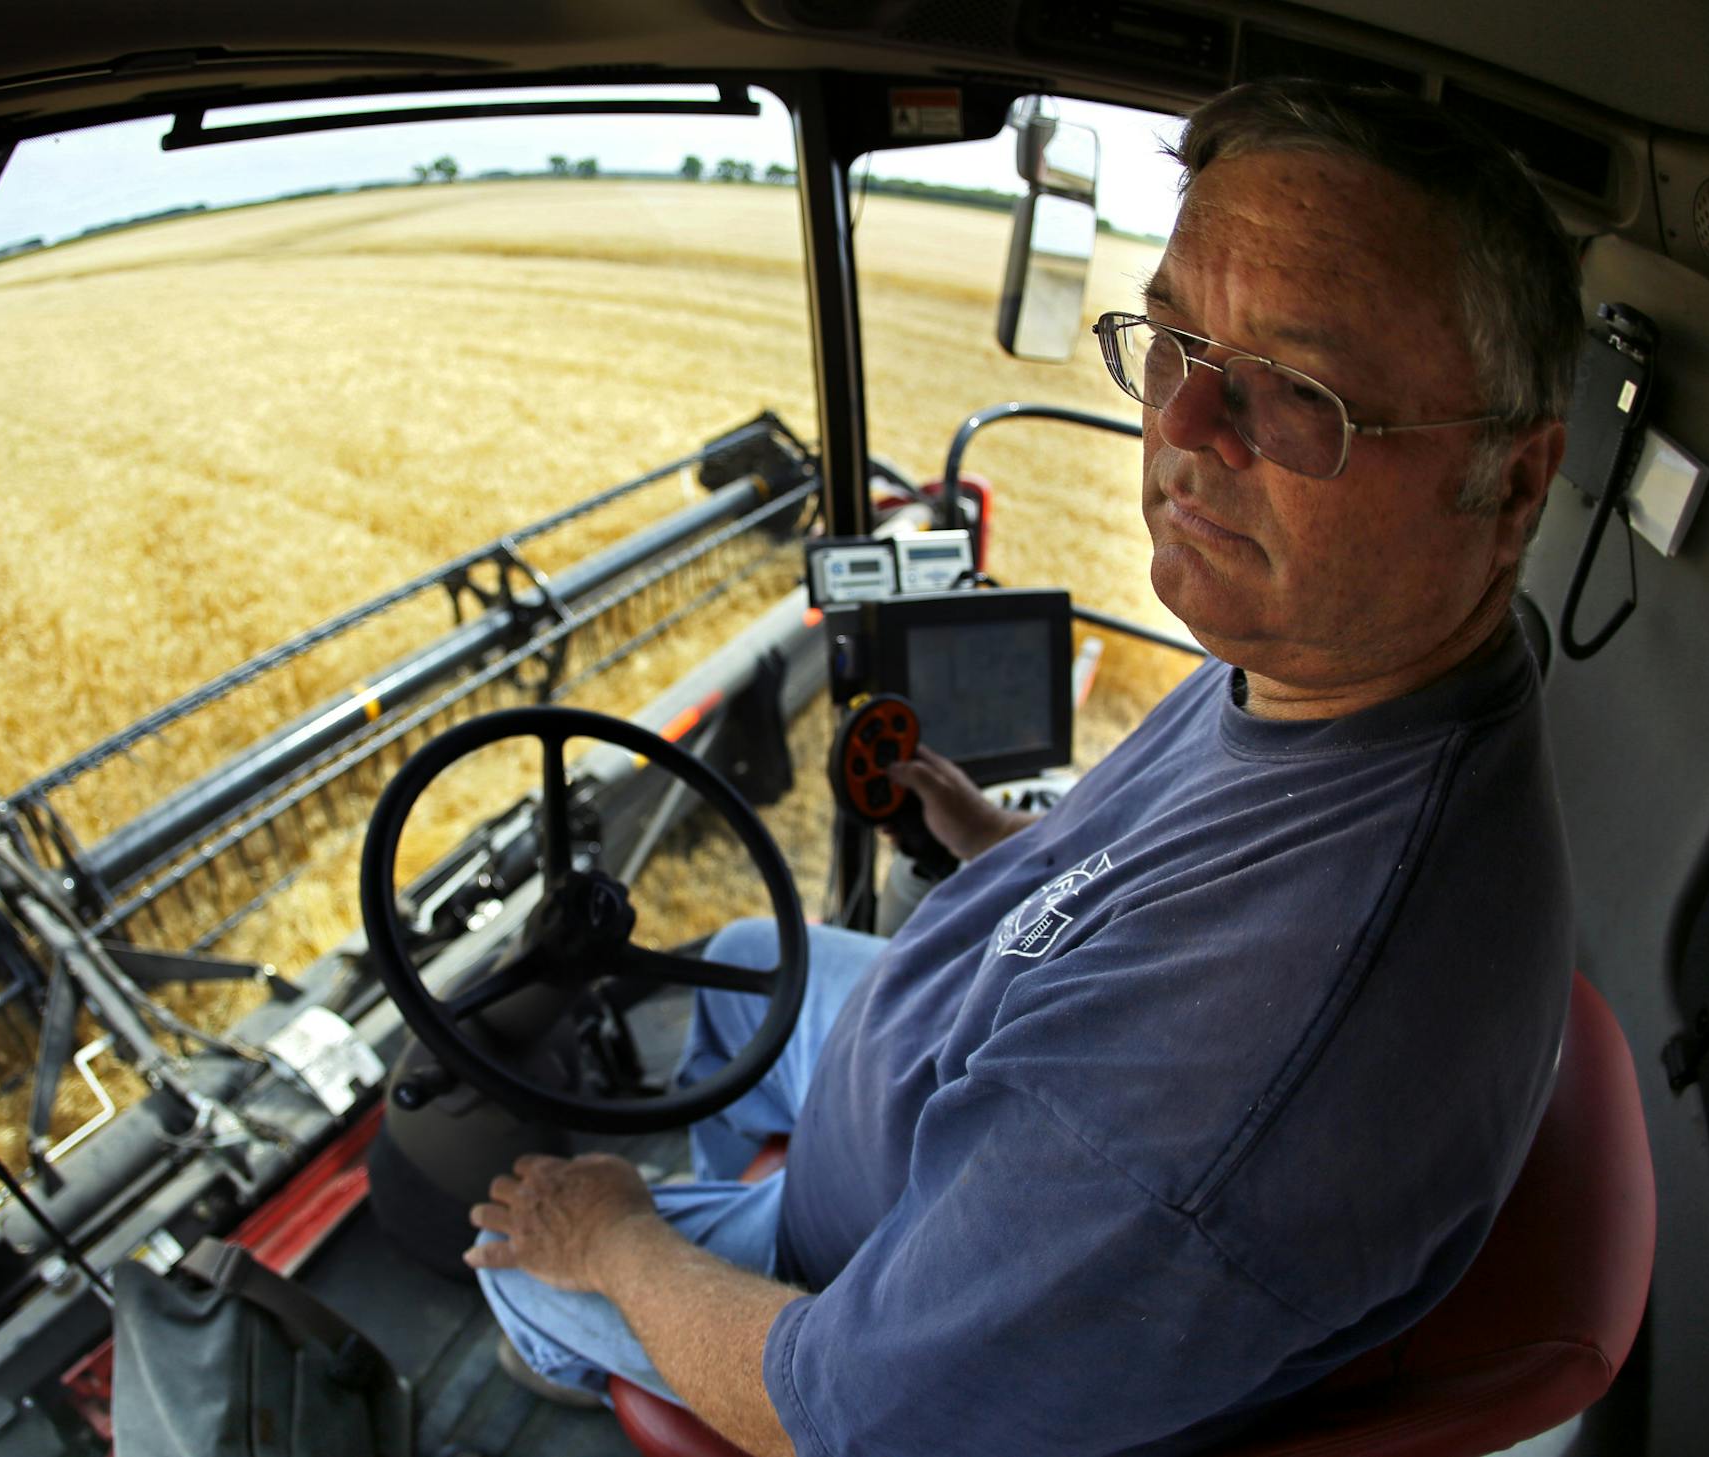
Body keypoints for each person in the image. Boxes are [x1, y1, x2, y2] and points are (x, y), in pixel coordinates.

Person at [464, 76, 1584, 1455]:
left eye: (1295, 393)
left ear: (1515, 482)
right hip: (952, 1067)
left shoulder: (1229, 1081)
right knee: (751, 951)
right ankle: (744, 1215)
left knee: (520, 1246)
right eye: (1172, 343)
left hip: (865, 1303)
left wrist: (622, 1243)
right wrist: (1002, 840)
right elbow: (1172, 891)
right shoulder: (1350, 670)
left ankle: (711, 1283)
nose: (1176, 433)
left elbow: (852, 1415)